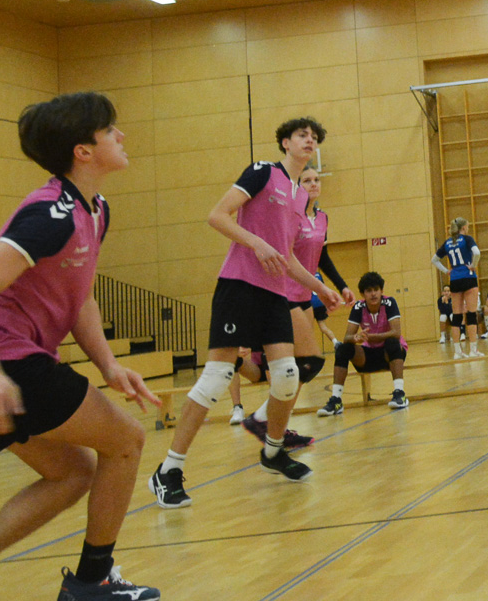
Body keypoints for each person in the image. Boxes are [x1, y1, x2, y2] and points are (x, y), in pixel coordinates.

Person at [0, 91, 162, 601]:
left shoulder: (95, 209)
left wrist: (109, 365)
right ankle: (91, 583)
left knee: (73, 473)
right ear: (83, 151)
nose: (121, 135)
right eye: (110, 130)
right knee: (126, 441)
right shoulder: (53, 213)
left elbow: (80, 297)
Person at [148, 117, 337, 509]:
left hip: (275, 293)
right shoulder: (263, 172)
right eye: (302, 135)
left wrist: (321, 288)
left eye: (314, 138)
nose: (309, 141)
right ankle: (168, 470)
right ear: (285, 142)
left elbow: (286, 256)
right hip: (238, 286)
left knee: (288, 375)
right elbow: (217, 215)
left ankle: (273, 452)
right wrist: (256, 243)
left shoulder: (299, 196)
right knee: (216, 378)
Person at [234, 165, 344, 446]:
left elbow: (322, 256)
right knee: (297, 365)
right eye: (307, 180)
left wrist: (339, 285)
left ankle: (274, 426)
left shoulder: (322, 218)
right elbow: (283, 256)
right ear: (297, 186)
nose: (313, 184)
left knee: (305, 366)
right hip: (282, 293)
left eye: (316, 179)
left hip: (304, 296)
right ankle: (269, 422)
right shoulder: (288, 216)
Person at [316, 272, 407, 416]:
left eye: (376, 290)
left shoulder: (389, 303)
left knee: (392, 342)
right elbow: (347, 337)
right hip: (367, 357)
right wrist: (356, 337)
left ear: (381, 291)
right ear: (362, 294)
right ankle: (336, 400)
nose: (373, 294)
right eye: (369, 291)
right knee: (343, 349)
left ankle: (399, 394)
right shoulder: (359, 307)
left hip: (389, 355)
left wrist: (372, 337)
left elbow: (396, 333)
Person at [435, 218, 483, 357]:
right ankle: (473, 350)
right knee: (471, 314)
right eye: (467, 227)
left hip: (455, 279)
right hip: (468, 277)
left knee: (456, 315)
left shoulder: (447, 243)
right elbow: (477, 253)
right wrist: (473, 265)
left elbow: (434, 260)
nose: (468, 229)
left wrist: (446, 271)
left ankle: (457, 352)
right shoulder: (467, 239)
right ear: (463, 228)